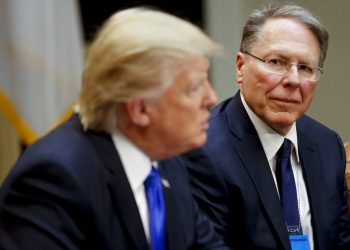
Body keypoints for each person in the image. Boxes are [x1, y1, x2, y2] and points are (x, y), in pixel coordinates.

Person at [0, 7, 228, 250]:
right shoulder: (54, 178)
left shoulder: (167, 158)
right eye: (194, 88)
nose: (212, 98)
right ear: (139, 109)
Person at [181, 3, 350, 250]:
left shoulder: (327, 144)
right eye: (276, 62)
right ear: (240, 67)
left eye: (305, 68)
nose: (293, 80)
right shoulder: (202, 149)